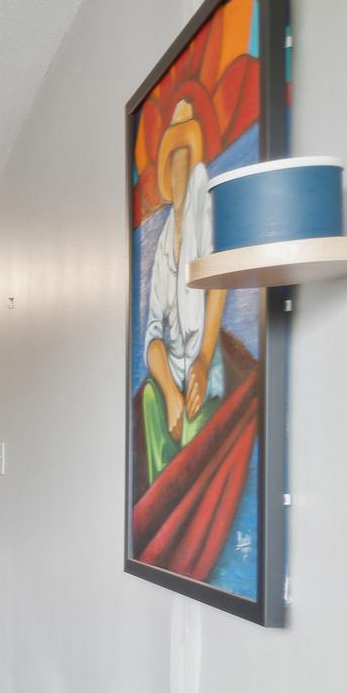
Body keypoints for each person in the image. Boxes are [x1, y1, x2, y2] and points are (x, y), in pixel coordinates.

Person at [140, 99, 230, 484]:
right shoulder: (163, 244)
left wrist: (204, 360)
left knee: (196, 421)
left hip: (201, 363)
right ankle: (165, 491)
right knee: (150, 398)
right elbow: (152, 331)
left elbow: (218, 282)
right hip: (173, 368)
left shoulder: (203, 205)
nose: (177, 172)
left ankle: (185, 491)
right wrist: (168, 391)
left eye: (182, 159)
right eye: (172, 163)